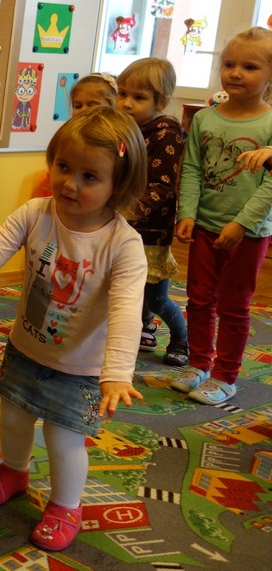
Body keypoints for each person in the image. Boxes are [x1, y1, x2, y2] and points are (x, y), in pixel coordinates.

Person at [0, 106, 148, 551]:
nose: (70, 183)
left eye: (89, 177)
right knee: (13, 416)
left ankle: (66, 506)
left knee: (63, 437)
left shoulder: (123, 245)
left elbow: (126, 311)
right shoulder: (37, 212)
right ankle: (15, 470)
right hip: (26, 347)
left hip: (81, 368)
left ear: (119, 185)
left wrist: (116, 374)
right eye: (63, 167)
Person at [172, 26, 272, 405]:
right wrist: (188, 212)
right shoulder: (205, 119)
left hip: (249, 233)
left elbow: (270, 185)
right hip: (204, 228)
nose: (235, 73)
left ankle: (225, 375)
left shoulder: (269, 124)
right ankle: (198, 363)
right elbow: (192, 168)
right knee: (199, 299)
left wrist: (241, 223)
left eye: (249, 67)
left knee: (233, 306)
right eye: (229, 64)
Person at [115, 58, 189, 365]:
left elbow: (163, 185)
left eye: (139, 97)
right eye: (122, 94)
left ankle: (181, 339)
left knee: (155, 296)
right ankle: (142, 327)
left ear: (161, 102)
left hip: (150, 231)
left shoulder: (166, 134)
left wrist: (129, 210)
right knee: (126, 287)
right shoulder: (125, 128)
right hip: (122, 224)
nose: (127, 103)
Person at [31, 73, 117, 197]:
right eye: (78, 106)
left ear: (112, 108)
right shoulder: (67, 135)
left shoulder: (115, 141)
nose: (83, 110)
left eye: (92, 105)